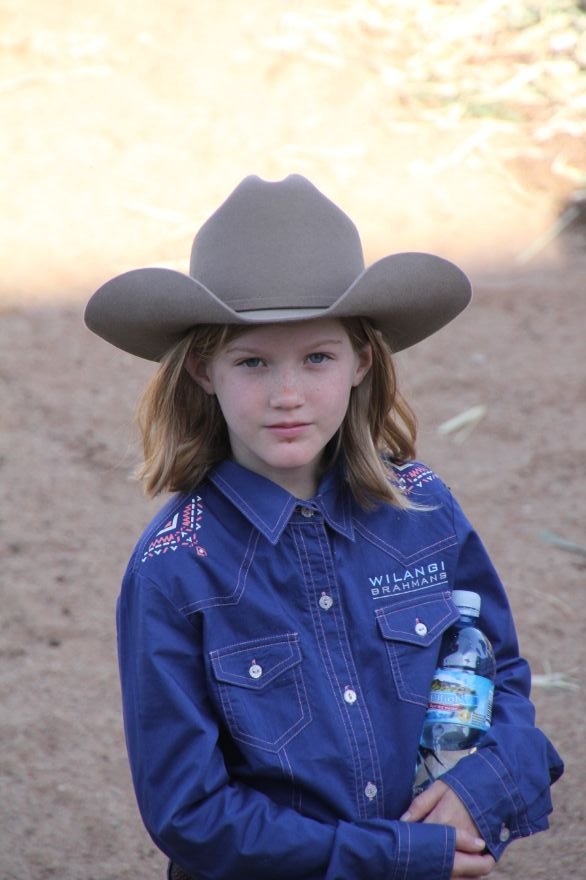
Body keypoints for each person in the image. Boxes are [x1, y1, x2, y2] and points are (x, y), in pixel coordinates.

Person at [84, 174, 563, 880]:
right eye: (253, 362)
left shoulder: (425, 508)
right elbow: (190, 814)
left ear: (362, 361)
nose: (288, 395)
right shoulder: (174, 569)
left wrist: (482, 788)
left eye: (317, 358)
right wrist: (395, 856)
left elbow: (500, 674)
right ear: (204, 371)